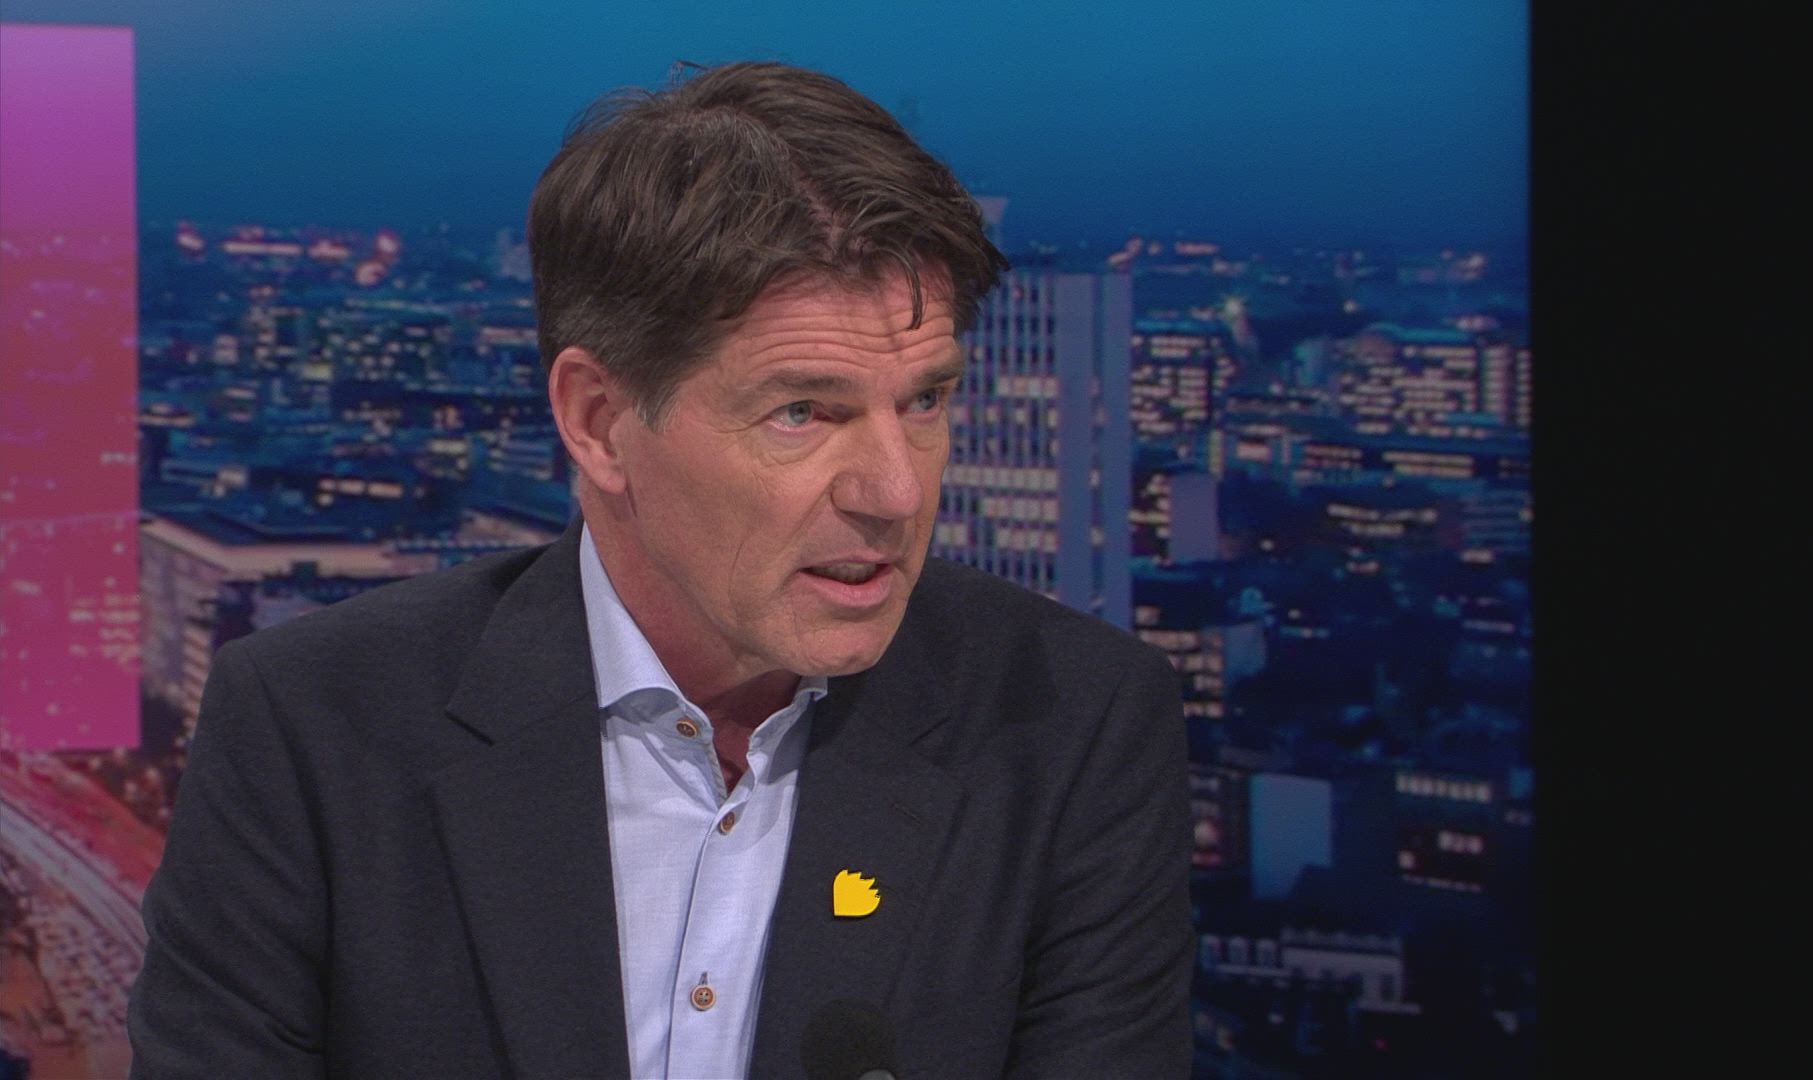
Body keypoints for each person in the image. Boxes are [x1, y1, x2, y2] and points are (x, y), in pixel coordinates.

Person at [128, 61, 1192, 1079]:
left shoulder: (1073, 726)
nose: (898, 491)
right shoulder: (313, 727)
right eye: (802, 412)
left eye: (924, 402)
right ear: (599, 421)